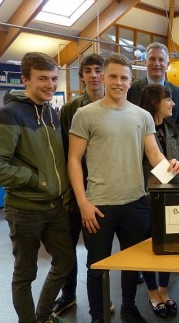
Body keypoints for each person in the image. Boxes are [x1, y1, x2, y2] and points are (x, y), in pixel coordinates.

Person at [68, 53, 179, 323]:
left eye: (123, 77)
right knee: (97, 267)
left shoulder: (142, 116)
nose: (118, 82)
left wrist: (173, 169)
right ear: (103, 78)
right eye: (113, 76)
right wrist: (83, 203)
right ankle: (98, 316)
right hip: (98, 204)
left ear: (131, 81)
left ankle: (129, 308)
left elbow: (154, 156)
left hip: (135, 202)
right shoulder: (85, 115)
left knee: (133, 264)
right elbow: (73, 159)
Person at [0, 52, 74, 323]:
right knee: (25, 274)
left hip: (55, 207)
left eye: (54, 79)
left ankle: (43, 315)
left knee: (65, 262)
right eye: (42, 79)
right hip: (25, 210)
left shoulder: (50, 112)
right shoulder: (11, 113)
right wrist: (35, 180)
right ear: (25, 80)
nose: (50, 85)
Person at [52, 53, 106, 316]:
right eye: (89, 71)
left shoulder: (118, 104)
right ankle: (69, 295)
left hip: (107, 190)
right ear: (82, 75)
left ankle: (101, 297)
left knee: (101, 251)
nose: (94, 75)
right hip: (76, 192)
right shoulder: (70, 109)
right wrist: (72, 192)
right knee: (68, 248)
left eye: (99, 70)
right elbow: (66, 152)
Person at [139, 84, 179, 318]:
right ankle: (152, 292)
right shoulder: (141, 130)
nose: (173, 104)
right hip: (146, 197)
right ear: (155, 102)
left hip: (170, 196)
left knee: (166, 246)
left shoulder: (172, 127)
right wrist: (174, 169)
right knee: (149, 248)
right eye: (168, 100)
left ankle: (164, 290)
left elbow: (178, 166)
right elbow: (150, 166)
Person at [127, 42, 179, 124]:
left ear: (167, 64)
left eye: (161, 59)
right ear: (145, 62)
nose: (156, 63)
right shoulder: (131, 89)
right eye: (152, 59)